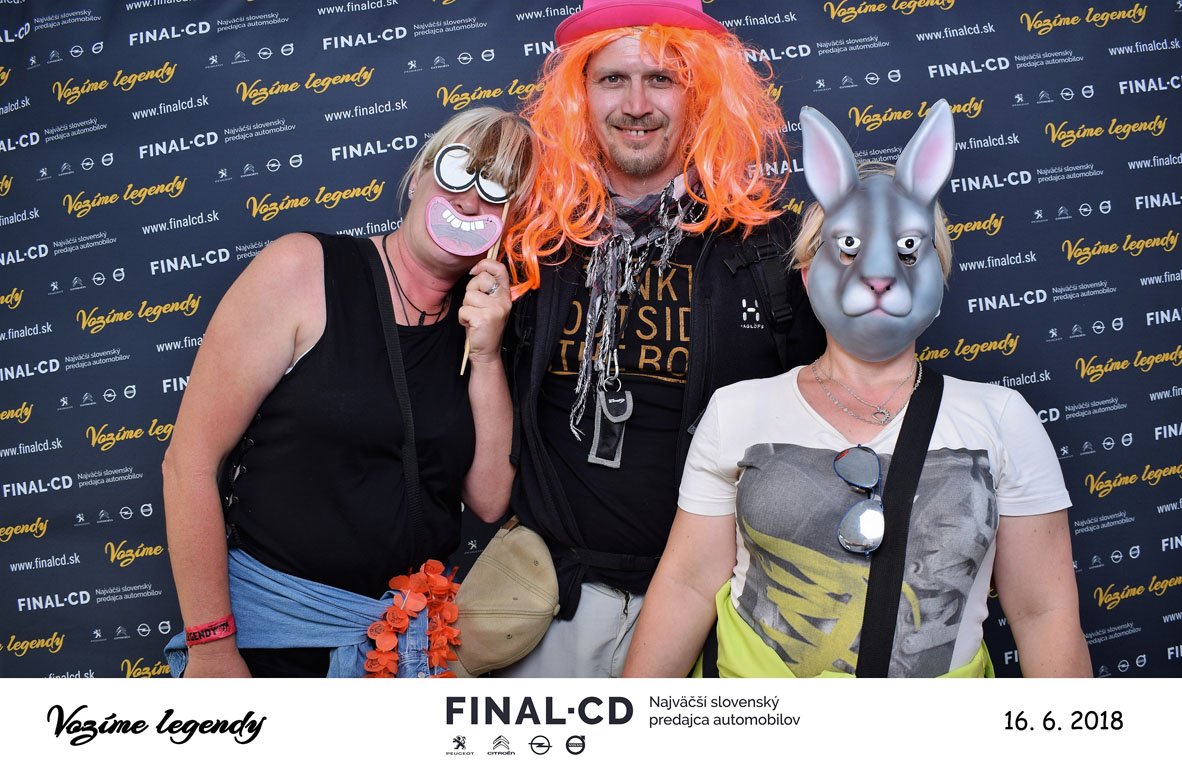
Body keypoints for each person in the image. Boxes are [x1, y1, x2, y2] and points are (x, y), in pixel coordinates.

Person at [623, 101, 1092, 678]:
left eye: (908, 249)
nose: (878, 273)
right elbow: (688, 586)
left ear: (938, 273)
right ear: (808, 271)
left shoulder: (1002, 419)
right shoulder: (738, 410)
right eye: (848, 247)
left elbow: (1044, 614)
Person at [496, 0, 824, 677]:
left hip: (720, 612)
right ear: (580, 95)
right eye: (612, 79)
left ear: (699, 93)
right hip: (552, 607)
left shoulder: (769, 248)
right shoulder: (532, 241)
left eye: (662, 79)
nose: (636, 104)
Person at [161, 107, 536, 677]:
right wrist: (211, 648)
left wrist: (486, 355)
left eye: (496, 191)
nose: (468, 201)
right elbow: (187, 464)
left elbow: (488, 500)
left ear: (510, 221)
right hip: (272, 644)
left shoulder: (479, 325)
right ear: (419, 175)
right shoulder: (303, 270)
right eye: (458, 171)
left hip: (398, 654)